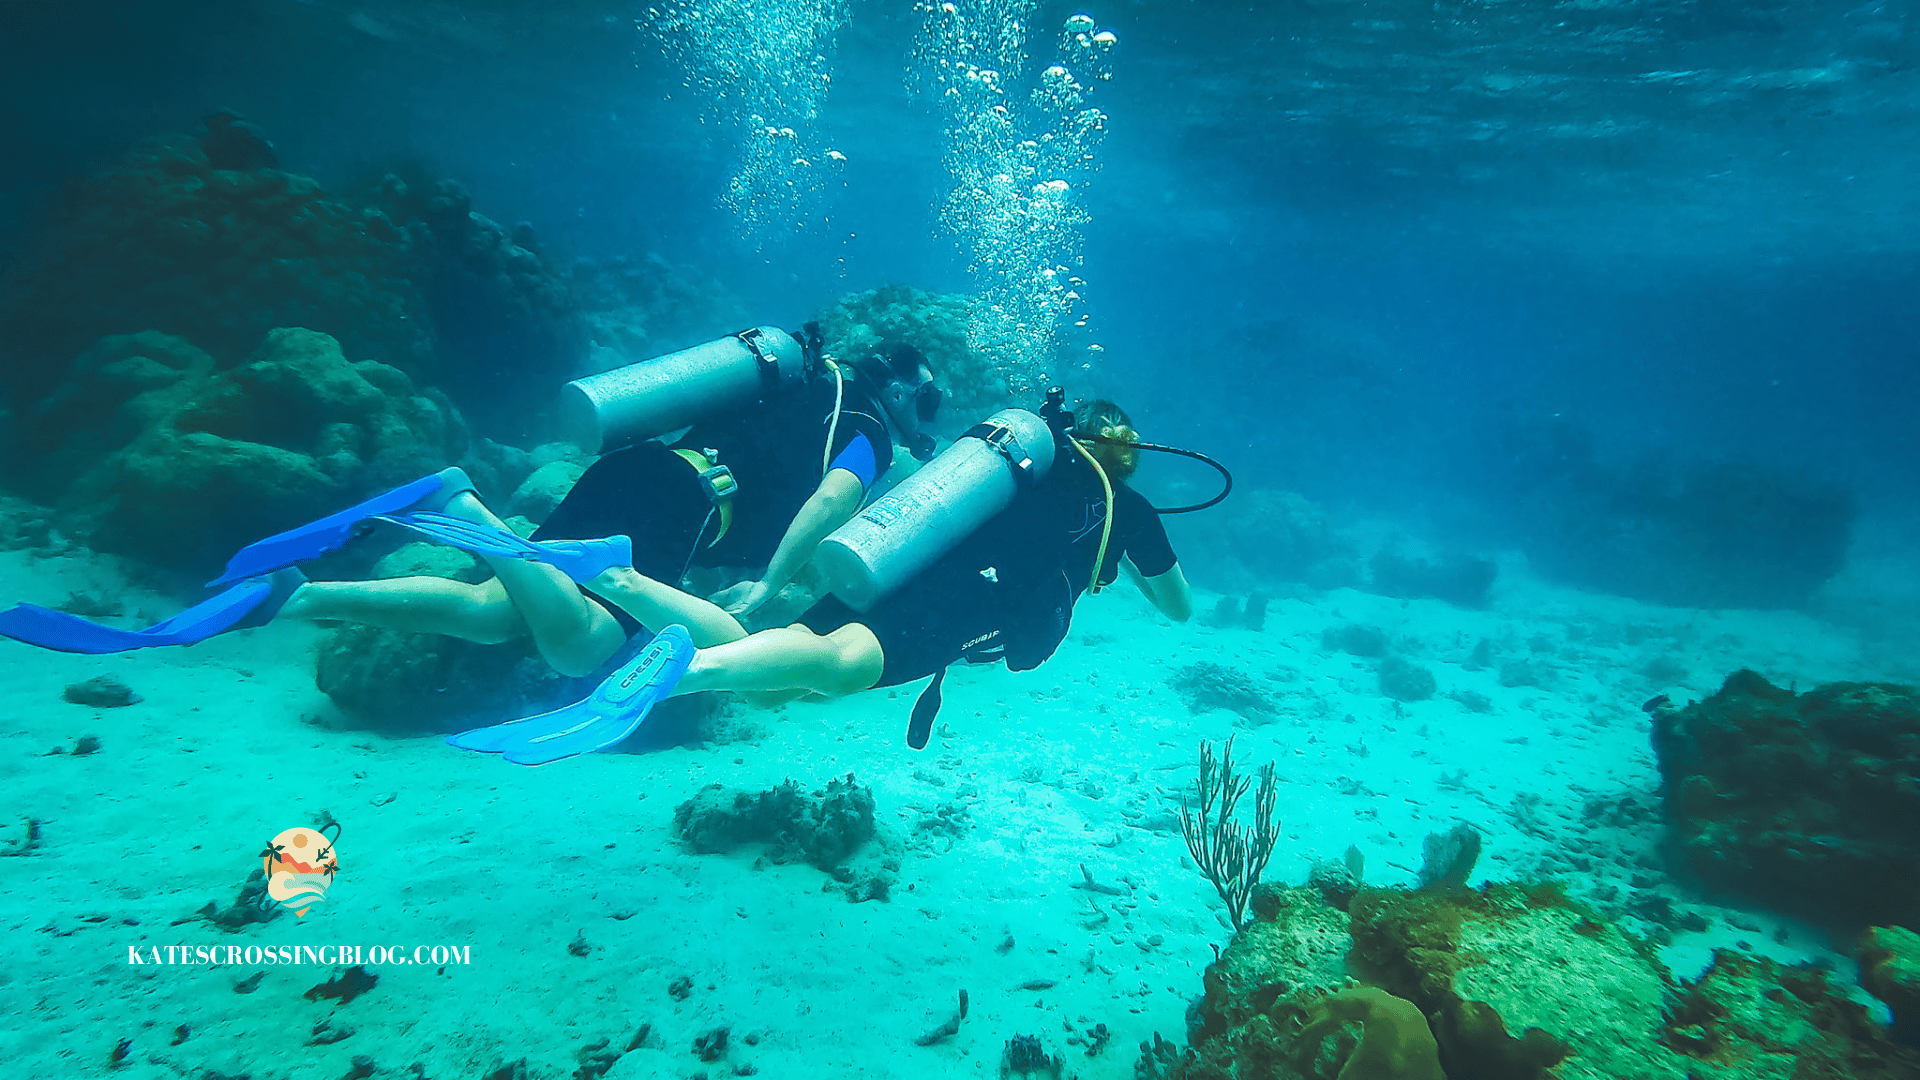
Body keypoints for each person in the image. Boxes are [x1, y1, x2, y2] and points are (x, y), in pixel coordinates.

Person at [0, 335, 944, 679]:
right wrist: (777, 589)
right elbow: (828, 499)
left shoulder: (786, 375)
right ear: (901, 390)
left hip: (637, 470)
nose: (919, 427)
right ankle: (467, 510)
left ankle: (302, 598)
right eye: (926, 408)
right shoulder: (868, 425)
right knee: (580, 648)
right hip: (690, 500)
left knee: (500, 616)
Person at [444, 397, 1196, 765]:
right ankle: (676, 671)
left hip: (895, 555)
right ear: (1125, 456)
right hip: (975, 594)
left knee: (779, 675)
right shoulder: (1124, 508)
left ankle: (623, 580)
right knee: (835, 668)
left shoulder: (1010, 474)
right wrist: (1132, 544)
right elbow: (1178, 606)